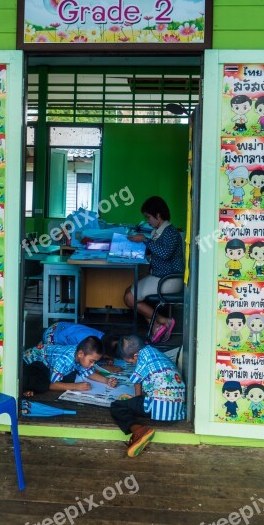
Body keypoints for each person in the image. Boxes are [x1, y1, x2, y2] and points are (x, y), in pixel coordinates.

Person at [110, 335, 185, 458]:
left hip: (160, 407)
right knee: (133, 403)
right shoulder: (154, 352)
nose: (133, 363)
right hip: (177, 409)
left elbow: (137, 381)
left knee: (117, 406)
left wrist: (137, 399)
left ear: (135, 356)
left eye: (131, 362)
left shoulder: (142, 358)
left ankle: (139, 430)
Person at [124, 196, 183, 344]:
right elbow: (154, 252)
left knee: (130, 298)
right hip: (160, 276)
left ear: (158, 215)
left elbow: (165, 253)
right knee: (128, 292)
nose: (148, 221)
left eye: (149, 217)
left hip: (169, 279)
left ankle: (164, 321)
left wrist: (144, 240)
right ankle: (156, 325)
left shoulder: (170, 232)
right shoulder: (158, 231)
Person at [22, 335, 117, 397]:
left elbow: (89, 373)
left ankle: (30, 388)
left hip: (45, 364)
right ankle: (26, 388)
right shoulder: (65, 360)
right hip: (30, 363)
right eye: (92, 361)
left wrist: (107, 380)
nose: (93, 364)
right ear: (80, 354)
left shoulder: (80, 354)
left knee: (69, 376)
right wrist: (76, 386)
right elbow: (52, 384)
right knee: (43, 384)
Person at [43, 321, 121, 369]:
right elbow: (81, 363)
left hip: (59, 326)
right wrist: (104, 368)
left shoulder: (103, 337)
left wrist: (107, 358)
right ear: (104, 352)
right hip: (52, 336)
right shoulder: (86, 343)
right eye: (108, 356)